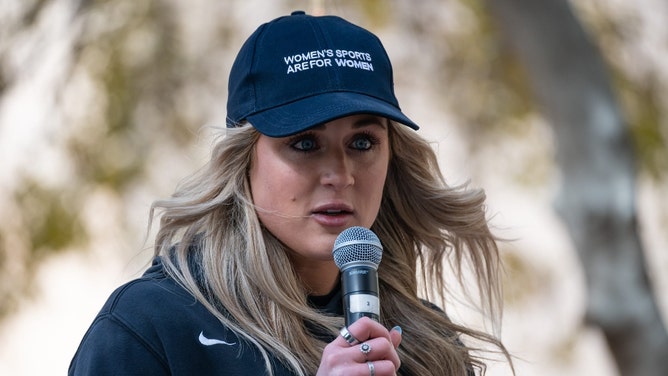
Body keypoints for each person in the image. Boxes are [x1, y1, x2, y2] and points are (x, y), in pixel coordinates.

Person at [69, 10, 511, 376]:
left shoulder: (428, 339)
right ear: (243, 161)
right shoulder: (152, 327)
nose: (341, 175)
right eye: (304, 143)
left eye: (362, 143)